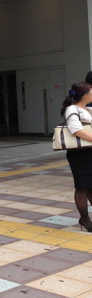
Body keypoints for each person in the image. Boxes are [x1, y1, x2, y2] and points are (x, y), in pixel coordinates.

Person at [60, 82, 92, 232]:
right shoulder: (72, 109)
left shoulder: (88, 109)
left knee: (90, 186)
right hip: (79, 153)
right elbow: (76, 130)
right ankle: (85, 220)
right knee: (82, 187)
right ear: (85, 95)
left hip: (89, 151)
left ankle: (85, 219)